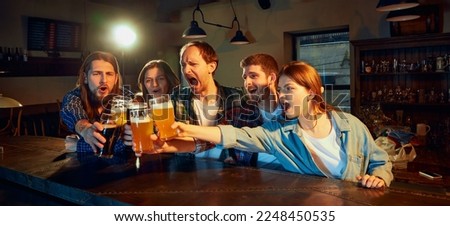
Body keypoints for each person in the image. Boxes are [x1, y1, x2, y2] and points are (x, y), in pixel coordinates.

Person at [170, 61, 393, 188]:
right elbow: (236, 135)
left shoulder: (351, 125)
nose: (283, 95)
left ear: (312, 92)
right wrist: (183, 128)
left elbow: (380, 160)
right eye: (282, 88)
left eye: (290, 89)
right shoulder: (281, 133)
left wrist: (379, 177)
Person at [169, 40, 244, 160]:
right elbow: (163, 132)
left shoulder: (235, 97)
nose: (186, 70)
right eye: (183, 65)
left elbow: (239, 137)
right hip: (187, 171)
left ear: (211, 67)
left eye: (193, 64)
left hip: (227, 170)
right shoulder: (177, 98)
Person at [60, 51, 133, 153]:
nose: (104, 80)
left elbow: (132, 142)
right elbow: (73, 115)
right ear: (85, 78)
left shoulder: (126, 97)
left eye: (109, 74)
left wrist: (78, 145)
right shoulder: (74, 96)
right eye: (96, 73)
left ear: (116, 79)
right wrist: (86, 130)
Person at [225, 53, 282, 168]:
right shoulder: (239, 115)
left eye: (253, 76)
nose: (247, 83)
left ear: (272, 78)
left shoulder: (292, 110)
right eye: (245, 77)